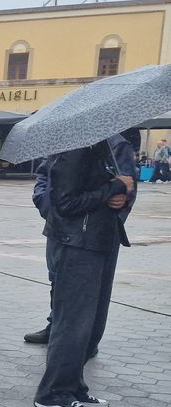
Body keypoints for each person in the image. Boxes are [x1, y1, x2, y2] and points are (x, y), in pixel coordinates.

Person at [34, 138, 134, 407]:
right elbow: (65, 202)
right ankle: (53, 393)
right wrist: (112, 189)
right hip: (78, 244)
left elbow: (113, 188)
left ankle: (73, 386)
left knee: (89, 324)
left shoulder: (100, 145)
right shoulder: (74, 148)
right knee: (73, 323)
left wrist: (121, 195)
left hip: (99, 241)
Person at [25, 134, 138, 346]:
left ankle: (86, 340)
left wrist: (121, 203)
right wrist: (45, 205)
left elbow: (128, 185)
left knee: (90, 290)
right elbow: (44, 175)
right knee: (56, 278)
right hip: (59, 226)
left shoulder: (116, 144)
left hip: (92, 234)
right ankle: (55, 324)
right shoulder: (63, 141)